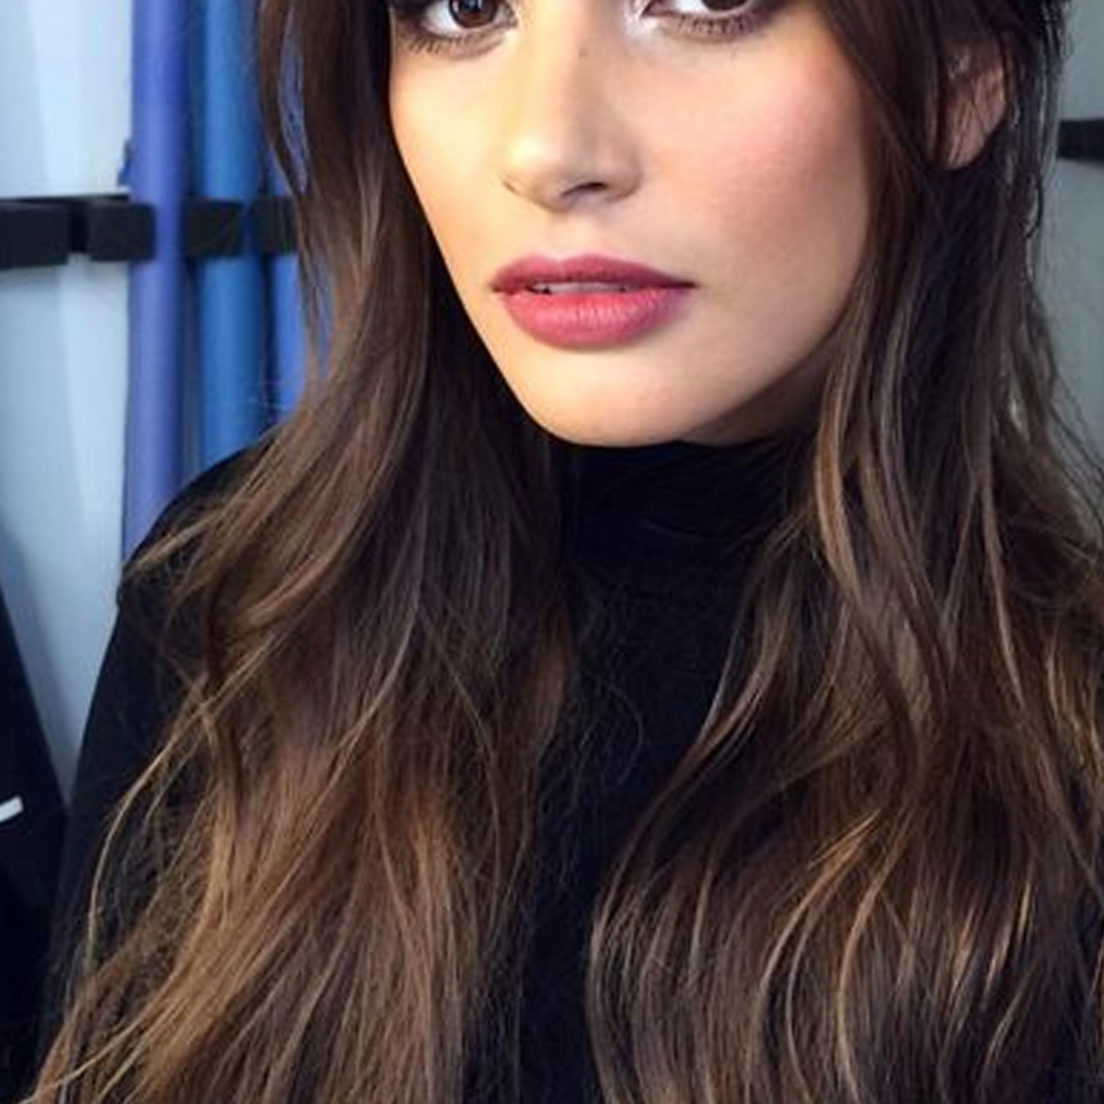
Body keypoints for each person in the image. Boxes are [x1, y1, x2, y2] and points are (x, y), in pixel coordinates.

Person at [25, 0, 1104, 1100]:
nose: (545, 150)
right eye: (465, 8)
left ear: (962, 75)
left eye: (701, 4)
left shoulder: (1071, 774)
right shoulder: (237, 601)